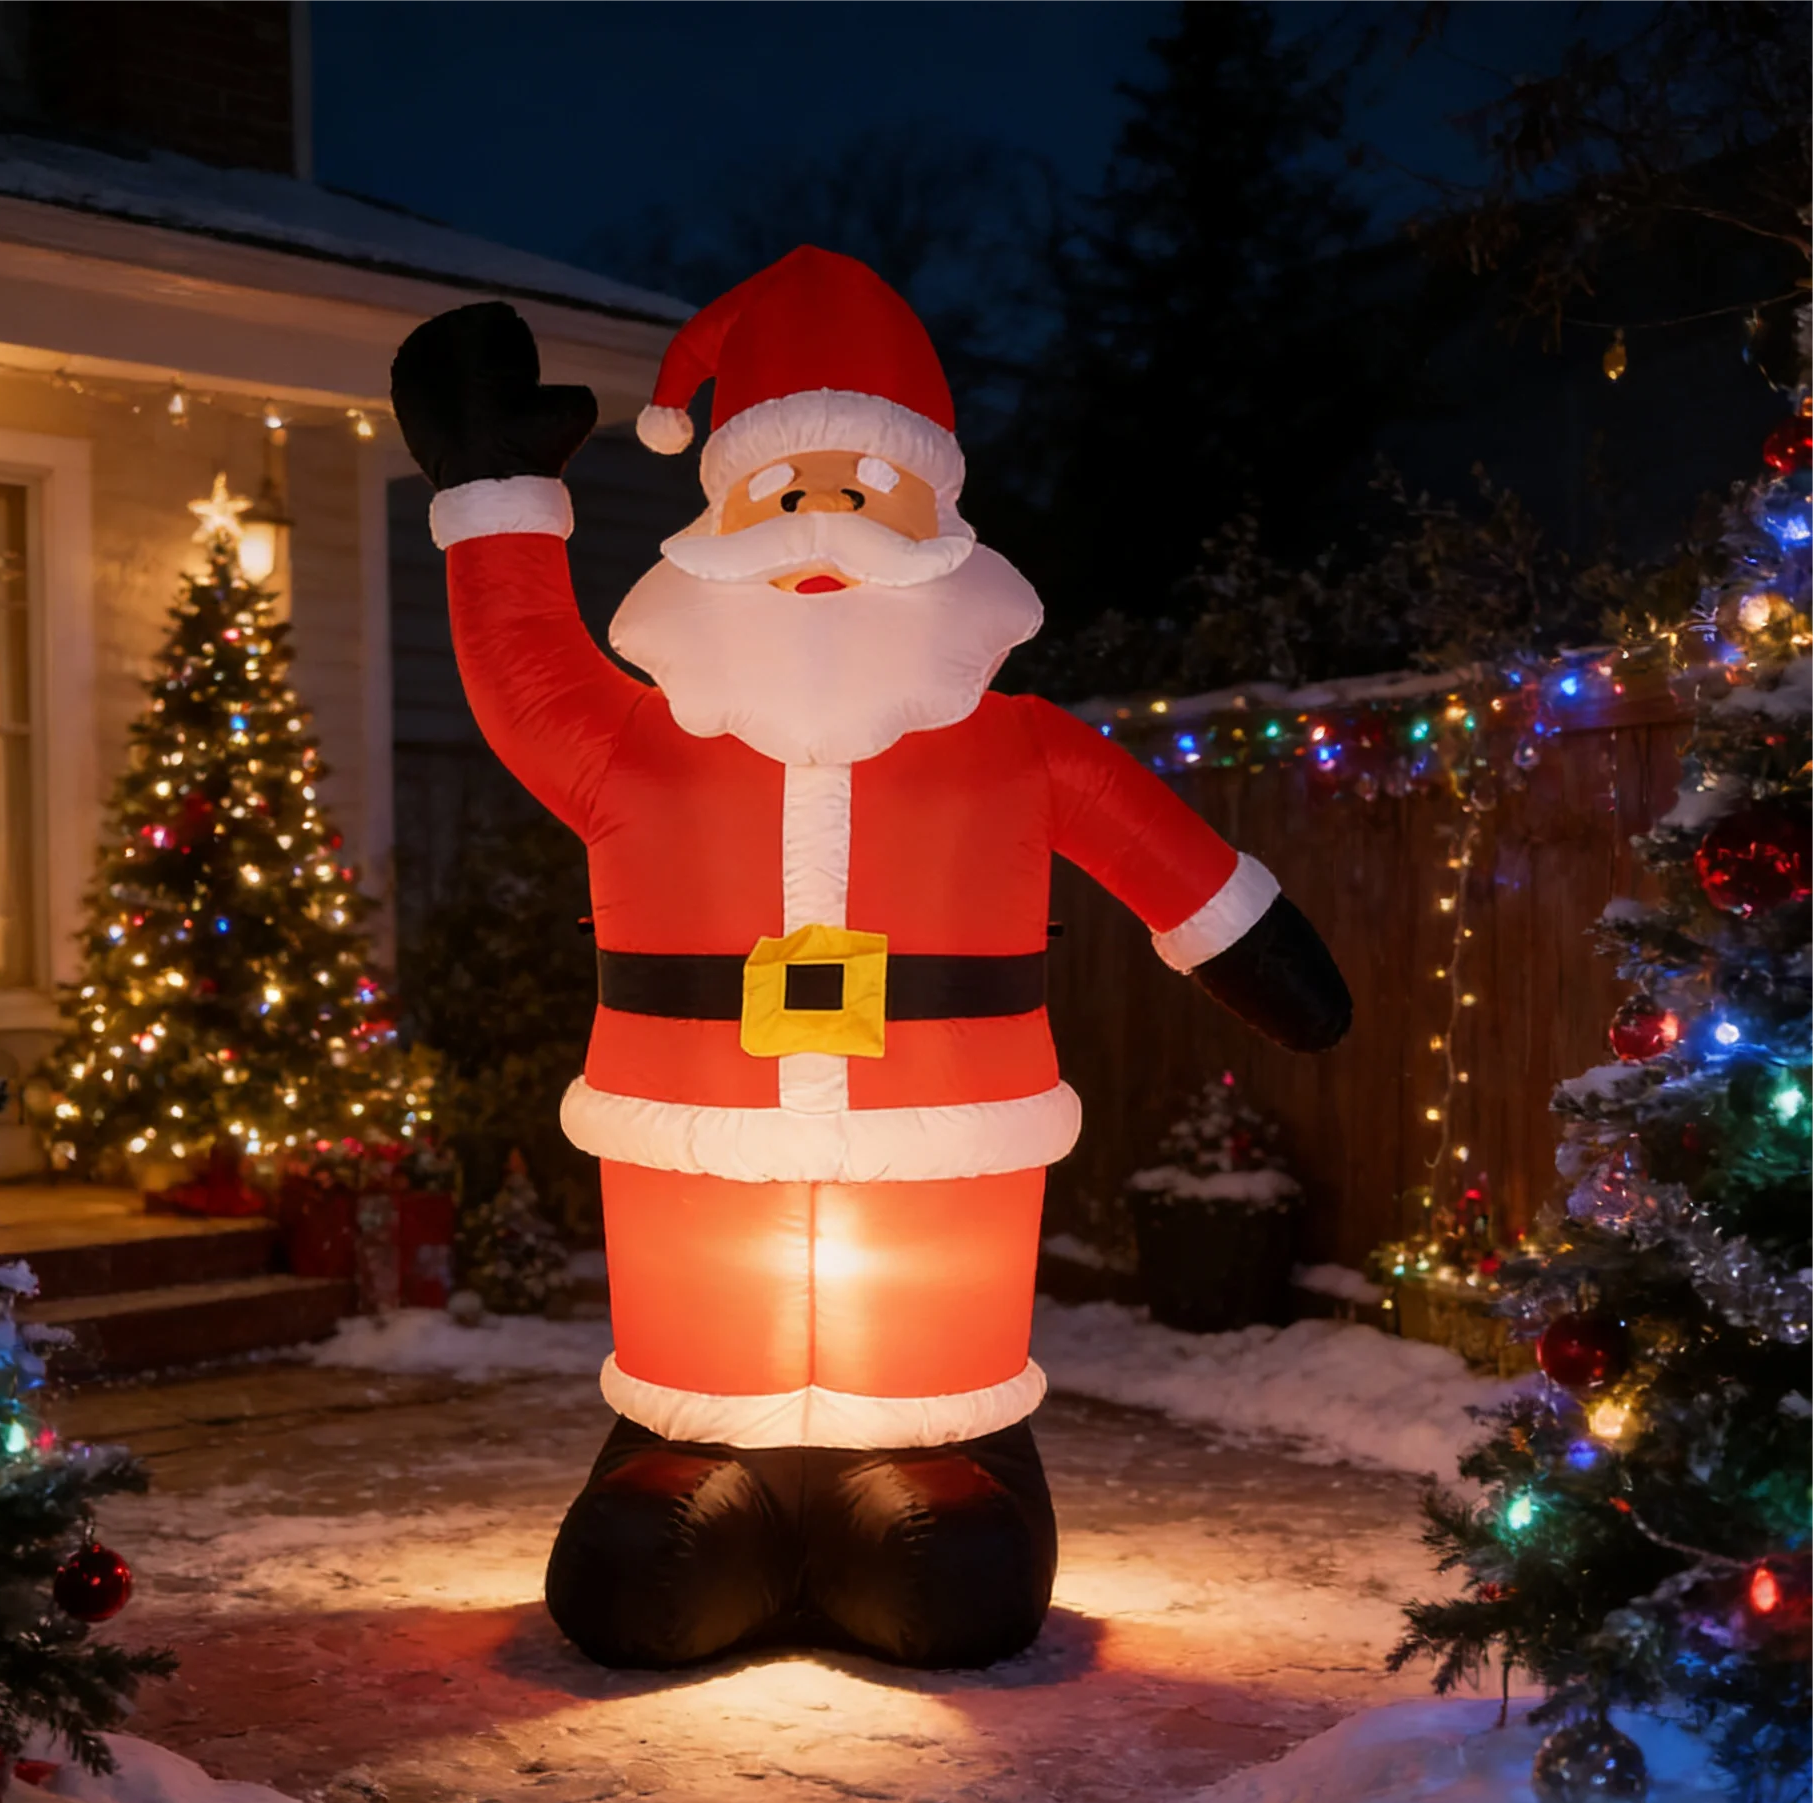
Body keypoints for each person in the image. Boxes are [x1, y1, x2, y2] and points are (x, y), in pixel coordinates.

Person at [391, 247, 1350, 1672]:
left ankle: (935, 1471)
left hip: (938, 1252)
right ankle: (689, 1465)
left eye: (861, 493)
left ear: (941, 521)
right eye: (782, 494)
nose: (820, 531)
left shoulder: (1022, 750)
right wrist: (496, 499)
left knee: (948, 1576)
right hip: (693, 1219)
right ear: (722, 519)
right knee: (638, 1583)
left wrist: (1261, 955)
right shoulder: (635, 752)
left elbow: (1166, 859)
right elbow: (526, 671)